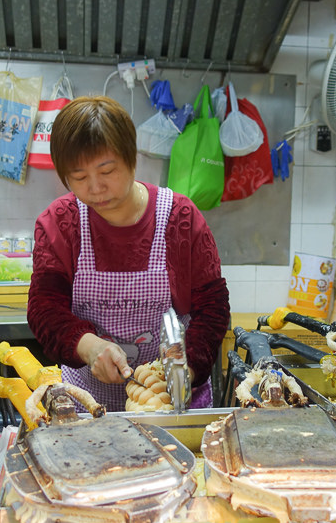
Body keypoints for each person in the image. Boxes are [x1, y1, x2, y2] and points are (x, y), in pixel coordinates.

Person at [27, 95, 230, 413]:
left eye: (107, 171)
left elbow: (212, 309)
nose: (95, 187)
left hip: (172, 403)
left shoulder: (179, 219)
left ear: (131, 159)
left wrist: (181, 373)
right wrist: (91, 348)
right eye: (79, 177)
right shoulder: (61, 223)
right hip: (87, 407)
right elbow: (45, 310)